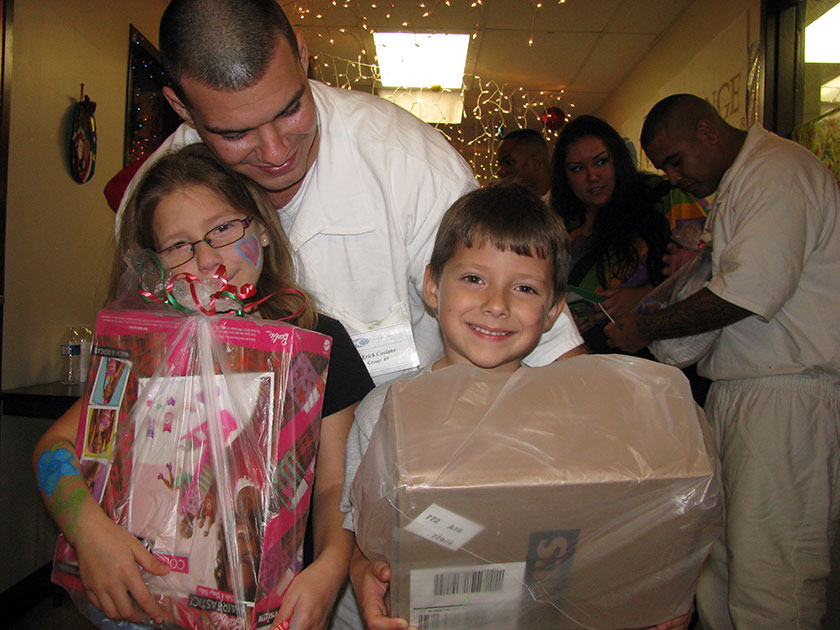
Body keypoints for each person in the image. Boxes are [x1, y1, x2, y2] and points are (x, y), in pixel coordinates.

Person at [114, 0, 584, 390]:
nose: (275, 152)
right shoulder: (158, 201)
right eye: (235, 133)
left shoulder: (414, 169)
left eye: (290, 109)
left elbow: (553, 351)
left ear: (302, 55)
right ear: (181, 107)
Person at [32, 143, 374, 630]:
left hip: (271, 605)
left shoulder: (318, 340)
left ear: (260, 228)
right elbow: (57, 445)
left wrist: (331, 569)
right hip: (143, 602)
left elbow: (334, 484)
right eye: (178, 246)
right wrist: (88, 534)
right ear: (152, 265)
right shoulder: (148, 348)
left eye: (223, 228)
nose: (208, 258)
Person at [339, 182, 694, 630]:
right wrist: (363, 570)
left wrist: (655, 590)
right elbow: (361, 532)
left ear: (551, 312)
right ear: (432, 285)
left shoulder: (576, 415)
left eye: (524, 288)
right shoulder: (384, 411)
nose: (496, 305)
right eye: (473, 279)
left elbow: (615, 524)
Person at [605, 94, 840, 629]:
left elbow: (747, 293)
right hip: (740, 391)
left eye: (676, 159)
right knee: (721, 567)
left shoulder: (777, 171)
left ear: (709, 131)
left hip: (787, 394)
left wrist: (647, 327)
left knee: (773, 576)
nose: (672, 176)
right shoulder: (741, 183)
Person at [550, 114, 707, 353]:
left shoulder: (663, 199)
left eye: (601, 162)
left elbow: (709, 270)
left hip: (658, 357)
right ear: (565, 176)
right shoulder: (560, 226)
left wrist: (644, 295)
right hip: (585, 359)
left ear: (618, 160)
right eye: (578, 169)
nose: (592, 176)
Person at [495, 128, 552, 202]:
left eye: (508, 162)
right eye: (499, 164)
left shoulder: (566, 204)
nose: (500, 171)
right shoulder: (506, 205)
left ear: (535, 163)